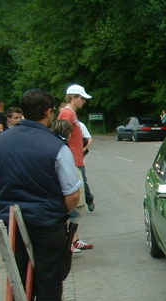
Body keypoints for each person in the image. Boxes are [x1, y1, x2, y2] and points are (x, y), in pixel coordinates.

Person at [0, 88, 81, 301]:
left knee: (17, 274)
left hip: (10, 222)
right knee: (49, 276)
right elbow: (72, 194)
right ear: (49, 112)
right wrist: (58, 212)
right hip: (46, 222)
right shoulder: (56, 146)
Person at [58, 84, 95, 251]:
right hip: (72, 162)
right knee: (73, 201)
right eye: (82, 98)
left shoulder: (71, 113)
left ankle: (74, 239)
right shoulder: (67, 113)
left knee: (77, 204)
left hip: (76, 160)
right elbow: (61, 137)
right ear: (72, 97)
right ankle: (70, 240)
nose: (84, 101)